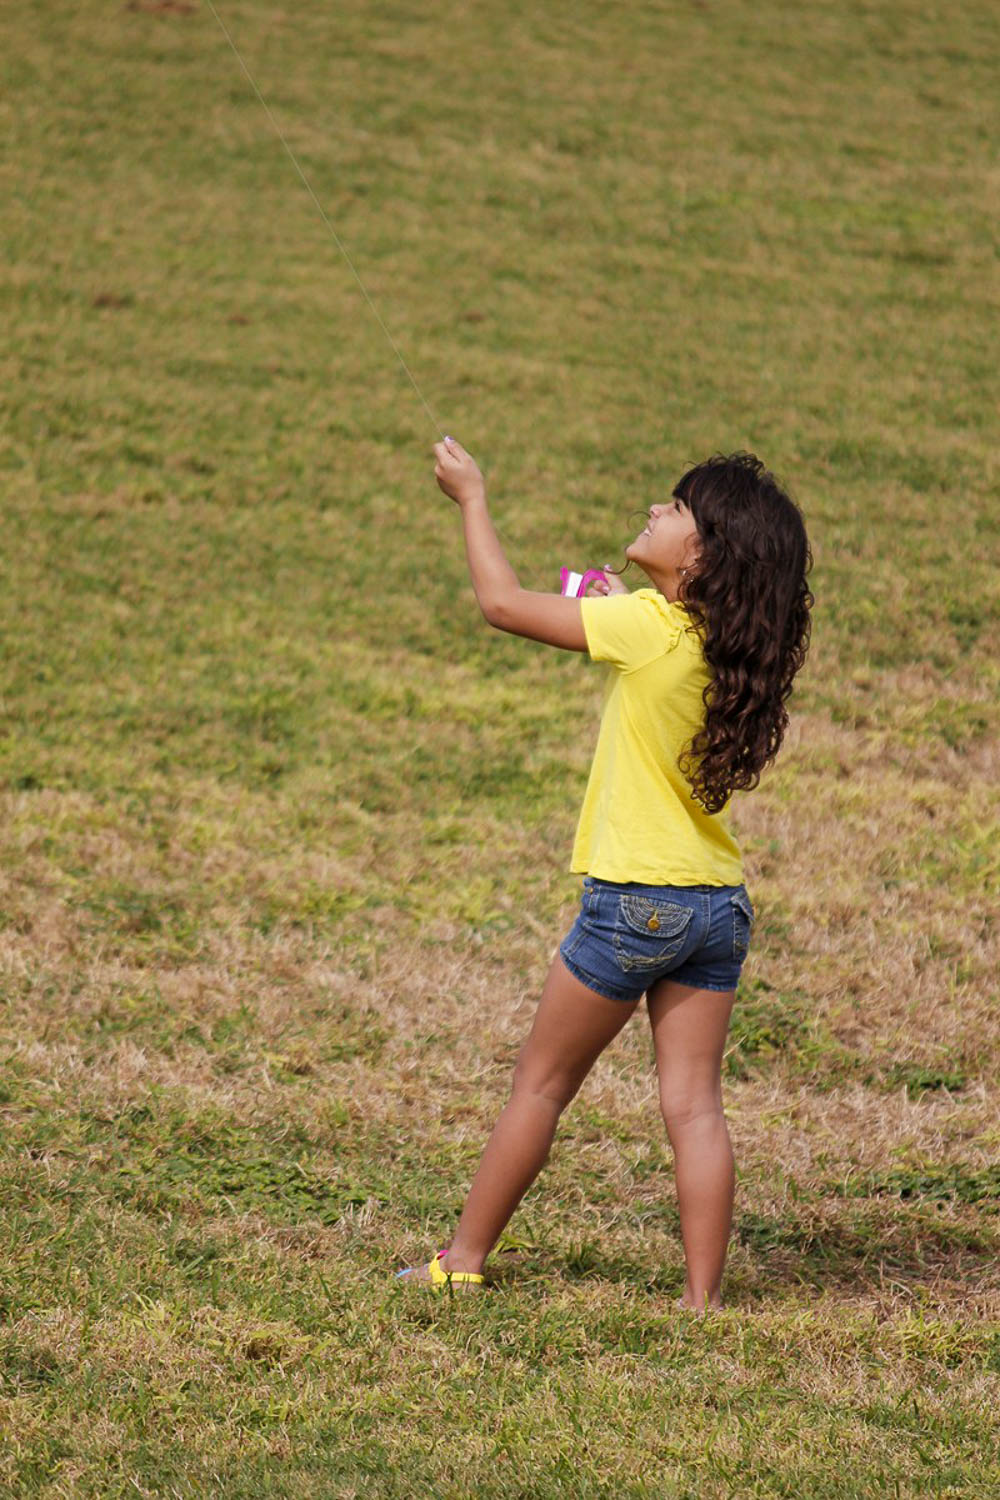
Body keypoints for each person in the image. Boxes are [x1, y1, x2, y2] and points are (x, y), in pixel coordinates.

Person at [394, 436, 814, 1312]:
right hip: (716, 910)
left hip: (633, 907)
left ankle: (461, 1261)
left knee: (540, 1087)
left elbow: (502, 605)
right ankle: (702, 1304)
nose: (657, 509)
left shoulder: (645, 629)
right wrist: (616, 600)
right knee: (694, 1109)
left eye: (676, 508)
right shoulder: (723, 647)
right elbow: (645, 634)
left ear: (704, 557)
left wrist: (471, 497)